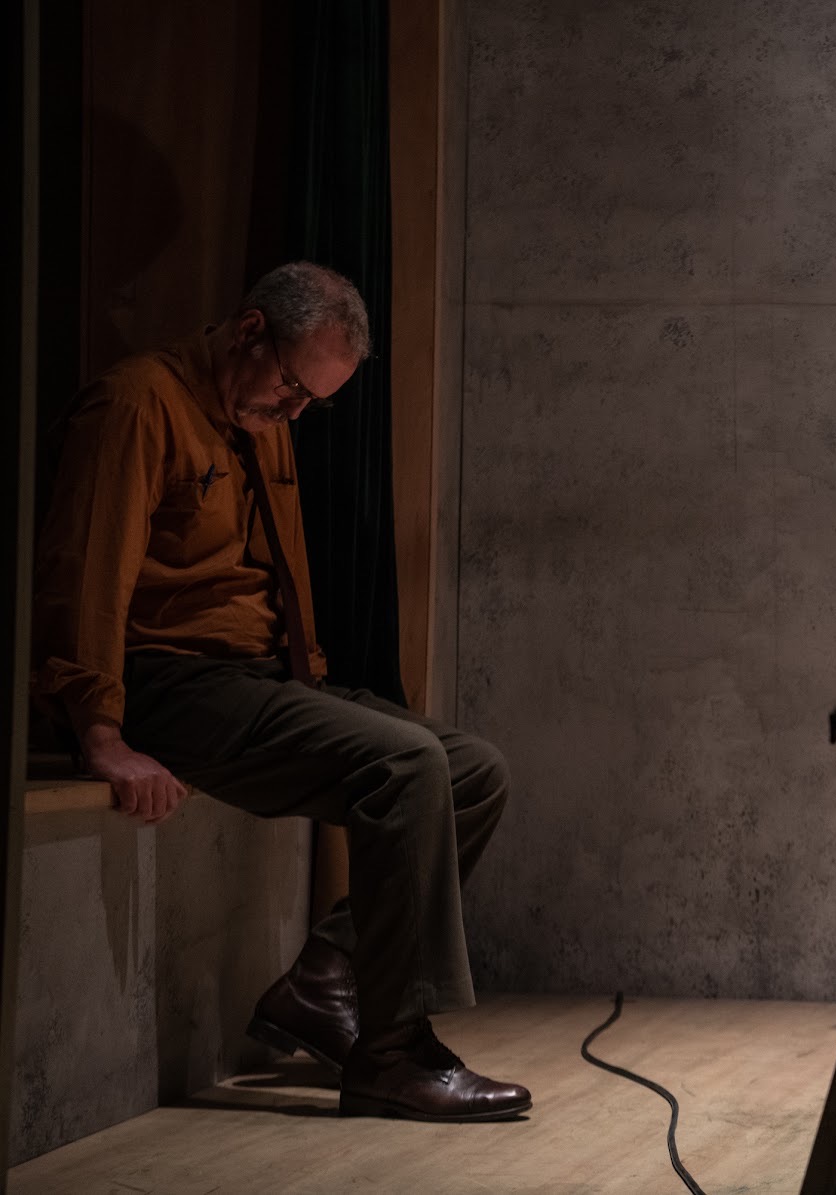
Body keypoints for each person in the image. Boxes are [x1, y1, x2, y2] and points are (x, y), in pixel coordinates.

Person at [33, 261, 531, 1119]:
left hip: (259, 677)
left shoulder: (261, 414)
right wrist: (100, 730)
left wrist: (313, 689)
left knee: (473, 768)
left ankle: (328, 974)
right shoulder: (139, 405)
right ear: (251, 330)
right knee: (407, 765)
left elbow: (280, 571)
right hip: (170, 680)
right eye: (293, 387)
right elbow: (86, 576)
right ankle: (390, 1055)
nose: (295, 411)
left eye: (313, 402)